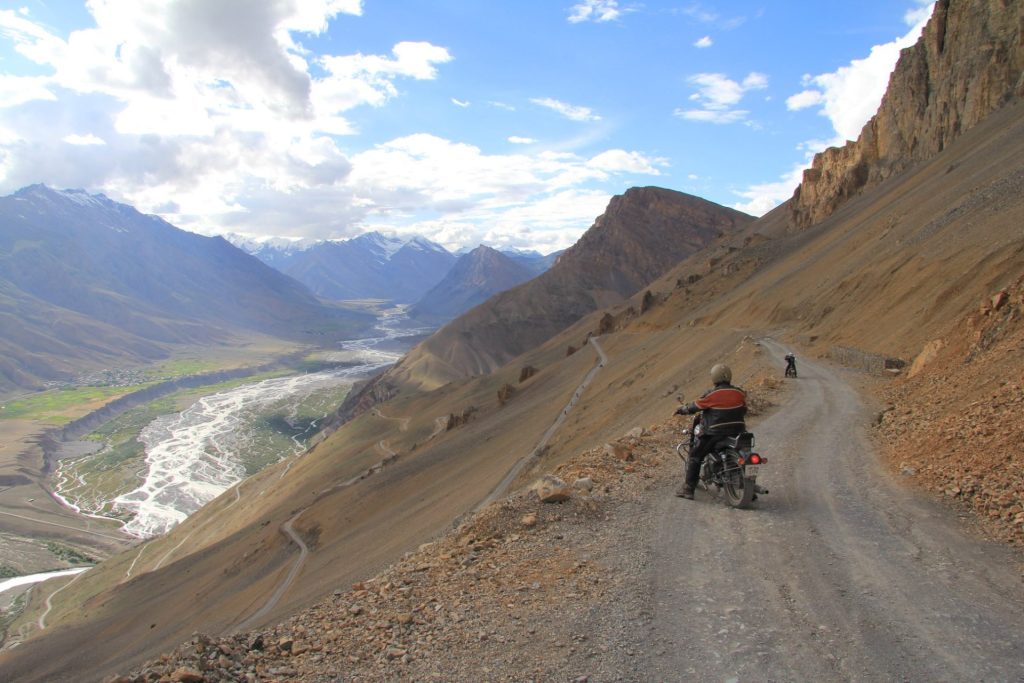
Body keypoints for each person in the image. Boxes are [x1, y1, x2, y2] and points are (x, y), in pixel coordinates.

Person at [673, 364, 747, 499]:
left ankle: (688, 489)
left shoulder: (712, 395)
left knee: (695, 455)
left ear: (714, 377)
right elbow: (744, 409)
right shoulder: (739, 393)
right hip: (738, 432)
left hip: (715, 433)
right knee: (745, 454)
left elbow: (694, 406)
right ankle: (745, 484)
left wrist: (682, 409)